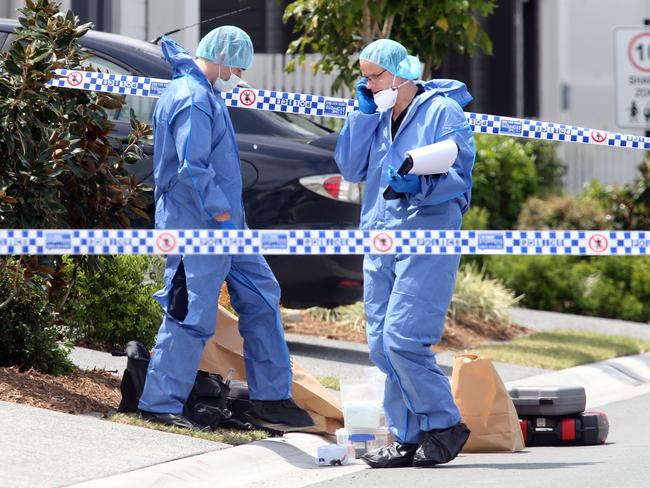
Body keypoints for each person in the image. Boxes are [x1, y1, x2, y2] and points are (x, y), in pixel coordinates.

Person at [138, 26, 313, 432]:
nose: (238, 73)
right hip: (199, 226)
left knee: (263, 296)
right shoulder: (194, 99)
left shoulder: (205, 93)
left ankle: (271, 398)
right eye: (236, 64)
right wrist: (219, 214)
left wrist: (228, 219)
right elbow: (192, 168)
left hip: (227, 226)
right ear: (220, 56)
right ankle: (158, 402)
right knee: (189, 313)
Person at [334, 39, 475, 468]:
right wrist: (361, 115)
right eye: (365, 76)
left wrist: (421, 185)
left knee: (403, 338)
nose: (368, 82)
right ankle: (407, 435)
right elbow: (350, 168)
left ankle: (444, 424)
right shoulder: (374, 112)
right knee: (380, 345)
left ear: (401, 74)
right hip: (380, 239)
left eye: (375, 75)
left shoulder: (442, 112)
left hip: (426, 239)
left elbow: (460, 175)